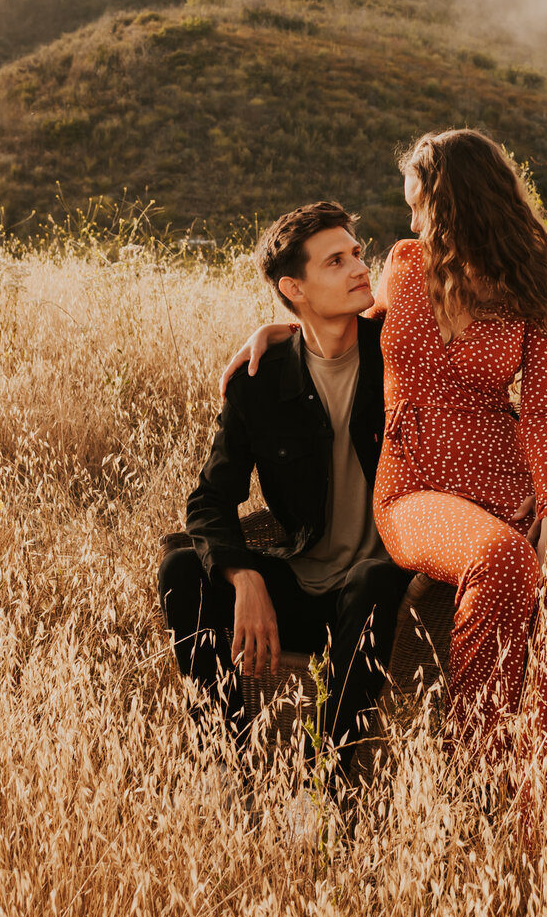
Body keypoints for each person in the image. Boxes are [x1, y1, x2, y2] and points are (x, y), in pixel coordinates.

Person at [374, 129, 547, 831]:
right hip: (413, 487)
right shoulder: (404, 267)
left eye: (419, 206)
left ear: (454, 201)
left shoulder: (532, 295)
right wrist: (271, 331)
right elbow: (340, 329)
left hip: (503, 483)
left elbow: (543, 415)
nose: (411, 223)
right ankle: (477, 777)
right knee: (502, 559)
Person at [158, 202, 415, 767]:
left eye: (356, 253)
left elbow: (495, 419)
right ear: (293, 287)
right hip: (304, 590)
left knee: (374, 575)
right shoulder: (260, 380)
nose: (359, 268)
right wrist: (243, 575)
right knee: (179, 569)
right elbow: (209, 498)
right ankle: (229, 763)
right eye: (336, 262)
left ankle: (321, 775)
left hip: (383, 594)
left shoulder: (400, 352)